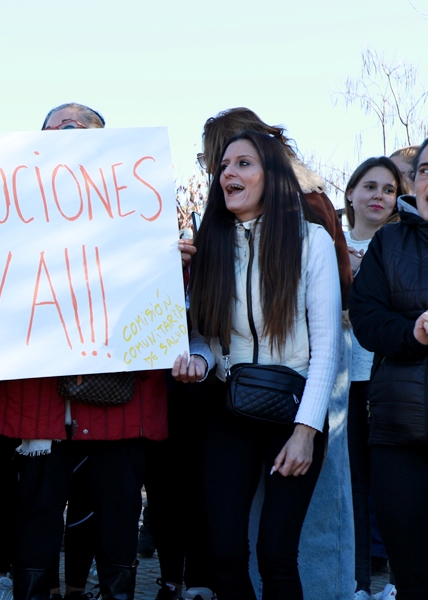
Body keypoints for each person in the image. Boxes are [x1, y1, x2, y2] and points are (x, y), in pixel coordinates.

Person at [0, 102, 168, 600]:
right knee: (35, 514)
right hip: (36, 401)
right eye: (54, 128)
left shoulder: (140, 211)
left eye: (77, 128)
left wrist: (171, 263)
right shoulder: (3, 213)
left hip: (119, 399)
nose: (65, 135)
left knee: (118, 513)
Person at [175, 130, 341, 599]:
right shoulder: (210, 242)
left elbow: (327, 346)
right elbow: (207, 338)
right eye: (224, 166)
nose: (228, 172)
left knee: (276, 557)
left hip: (295, 413)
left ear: (271, 175)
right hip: (228, 414)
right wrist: (199, 362)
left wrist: (306, 432)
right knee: (224, 557)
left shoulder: (313, 242)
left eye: (243, 163)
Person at [348, 137, 428, 599]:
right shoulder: (390, 243)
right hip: (401, 436)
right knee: (413, 572)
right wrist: (412, 334)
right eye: (424, 170)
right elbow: (367, 317)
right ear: (413, 184)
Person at [343, 157, 407, 600]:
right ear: (350, 194)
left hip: (389, 379)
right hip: (343, 381)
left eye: (388, 189)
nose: (378, 196)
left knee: (396, 486)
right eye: (369, 186)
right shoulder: (328, 245)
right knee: (354, 485)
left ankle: (401, 583)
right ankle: (358, 583)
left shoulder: (406, 247)